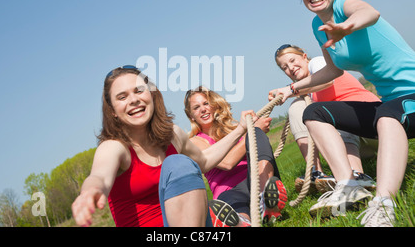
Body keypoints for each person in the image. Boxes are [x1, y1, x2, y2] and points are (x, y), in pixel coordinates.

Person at [269, 0, 415, 227]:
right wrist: (291, 89)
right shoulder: (318, 25)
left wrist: (347, 26)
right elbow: (332, 71)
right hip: (390, 103)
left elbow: (370, 12)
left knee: (387, 115)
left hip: (411, 94)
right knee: (313, 112)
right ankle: (348, 183)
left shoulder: (345, 4)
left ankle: (384, 205)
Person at [71, 66, 258, 227]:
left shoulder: (173, 135)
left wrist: (241, 129)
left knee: (178, 163)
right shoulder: (114, 147)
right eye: (122, 97)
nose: (133, 100)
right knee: (177, 163)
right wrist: (90, 191)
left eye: (139, 91)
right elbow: (99, 176)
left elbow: (205, 160)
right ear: (112, 111)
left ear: (152, 95)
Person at [273, 44, 380, 193]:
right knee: (296, 107)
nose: (290, 68)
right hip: (360, 144)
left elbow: (327, 81)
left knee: (336, 114)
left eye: (292, 60)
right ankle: (316, 173)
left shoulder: (318, 63)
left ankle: (357, 177)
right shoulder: (308, 95)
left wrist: (290, 90)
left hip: (374, 128)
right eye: (284, 67)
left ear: (304, 56)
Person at [184, 86, 287, 226]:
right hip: (229, 190)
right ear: (191, 115)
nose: (202, 109)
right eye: (196, 107)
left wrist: (254, 130)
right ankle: (241, 221)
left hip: (256, 179)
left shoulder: (235, 129)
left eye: (206, 103)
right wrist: (249, 131)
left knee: (256, 133)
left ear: (214, 105)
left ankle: (266, 197)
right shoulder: (195, 142)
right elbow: (227, 163)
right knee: (232, 201)